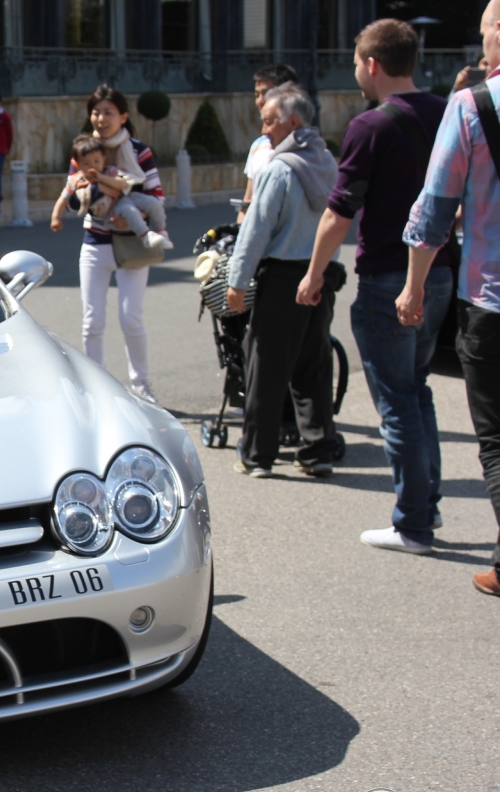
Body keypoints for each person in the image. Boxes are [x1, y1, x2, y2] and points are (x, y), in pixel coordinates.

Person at [300, 20, 450, 553]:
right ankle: (424, 506)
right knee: (417, 389)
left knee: (397, 402)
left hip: (389, 276)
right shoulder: (447, 111)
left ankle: (413, 522)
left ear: (372, 64)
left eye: (358, 63)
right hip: (438, 272)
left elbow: (339, 213)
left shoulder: (371, 125)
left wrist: (314, 273)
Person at [403, 0, 500, 596]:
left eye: (486, 25)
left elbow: (436, 205)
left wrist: (414, 284)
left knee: (495, 438)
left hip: (491, 301)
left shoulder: (472, 106)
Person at [226, 85, 340, 478]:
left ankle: (257, 455)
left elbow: (256, 230)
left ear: (293, 122)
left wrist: (237, 281)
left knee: (266, 366)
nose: (265, 128)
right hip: (320, 273)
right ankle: (318, 449)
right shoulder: (325, 161)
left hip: (283, 276)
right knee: (313, 364)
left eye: (270, 121)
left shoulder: (279, 168)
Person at [49, 85, 166, 404]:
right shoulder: (84, 150)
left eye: (108, 112)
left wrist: (131, 215)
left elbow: (156, 195)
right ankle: (96, 385)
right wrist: (79, 197)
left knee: (131, 318)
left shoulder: (139, 151)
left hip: (133, 242)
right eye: (96, 112)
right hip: (95, 242)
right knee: (92, 320)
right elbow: (72, 200)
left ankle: (141, 385)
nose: (101, 118)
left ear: (124, 116)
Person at [65, 134, 171, 250]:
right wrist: (98, 188)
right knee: (127, 209)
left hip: (130, 224)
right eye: (87, 163)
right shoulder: (82, 152)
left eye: (96, 161)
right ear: (79, 164)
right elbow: (70, 202)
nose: (92, 166)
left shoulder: (137, 150)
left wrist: (140, 216)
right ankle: (146, 235)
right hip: (99, 233)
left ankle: (161, 232)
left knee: (151, 202)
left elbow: (123, 184)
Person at [238, 64, 299, 223]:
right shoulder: (258, 146)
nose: (260, 101)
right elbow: (247, 202)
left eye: (266, 93)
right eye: (257, 94)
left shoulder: (307, 147)